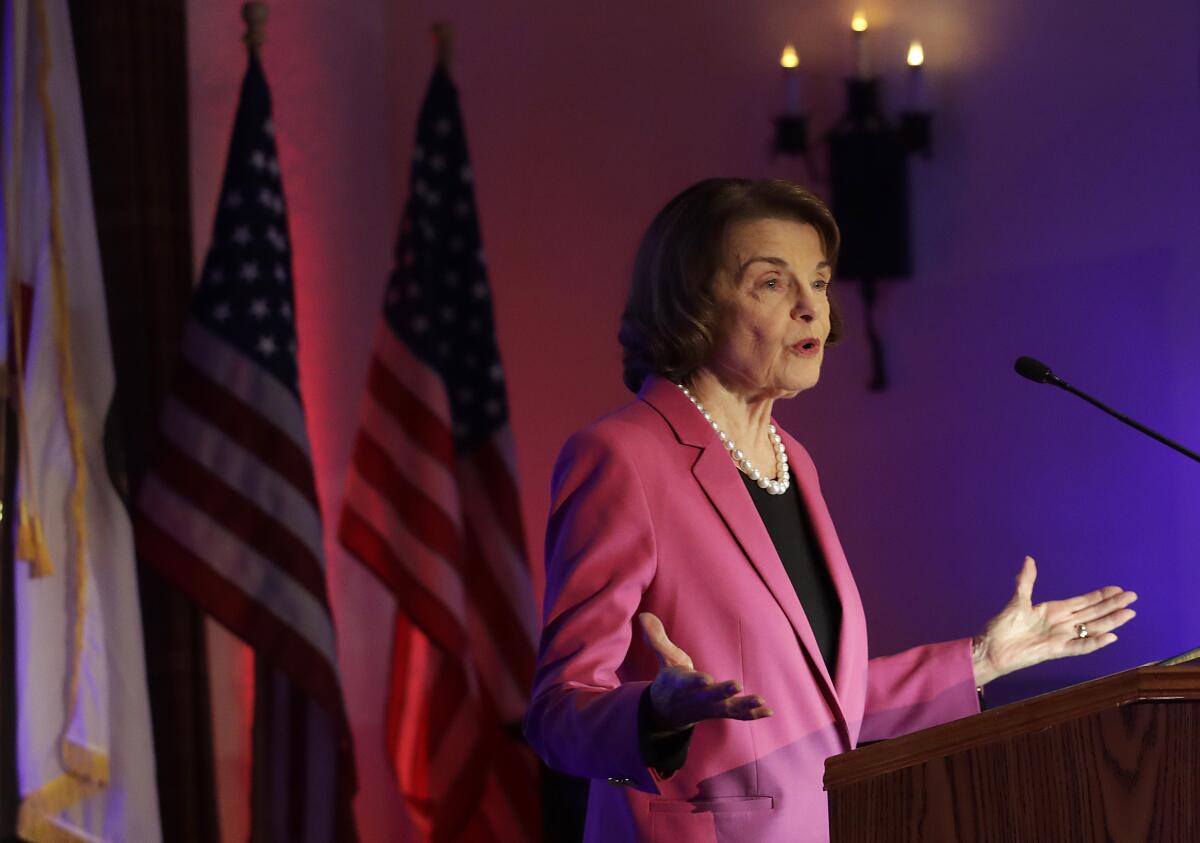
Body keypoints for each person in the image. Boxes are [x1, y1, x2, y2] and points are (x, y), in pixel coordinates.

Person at [523, 178, 1137, 842]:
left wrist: (984, 658)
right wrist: (653, 714)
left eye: (817, 282)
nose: (813, 309)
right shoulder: (622, 457)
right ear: (690, 303)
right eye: (771, 284)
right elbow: (558, 714)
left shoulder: (792, 459)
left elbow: (817, 706)